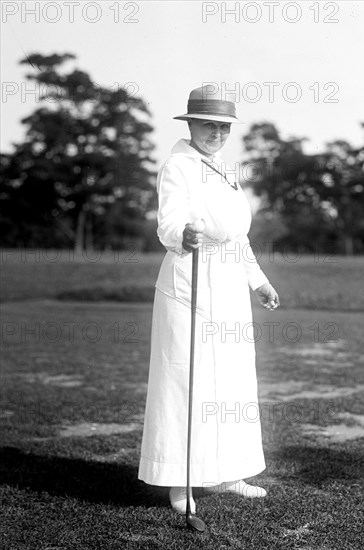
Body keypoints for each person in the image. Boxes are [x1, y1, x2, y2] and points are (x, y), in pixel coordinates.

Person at [138, 85, 280, 514]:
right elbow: (167, 223)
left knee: (233, 380)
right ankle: (180, 484)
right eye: (208, 125)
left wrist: (258, 281)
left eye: (223, 127)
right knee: (187, 378)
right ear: (191, 124)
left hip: (229, 286)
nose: (216, 133)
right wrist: (182, 235)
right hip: (190, 282)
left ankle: (230, 471)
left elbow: (240, 238)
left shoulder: (224, 168)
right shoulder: (177, 166)